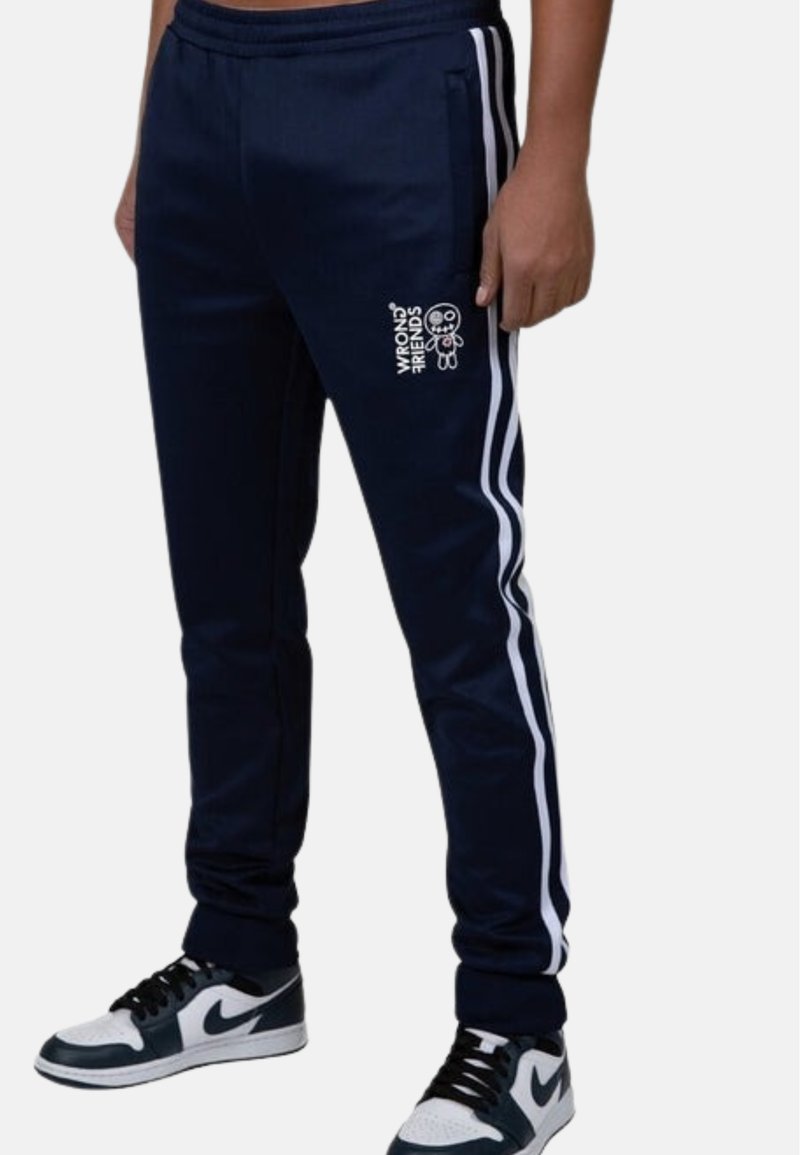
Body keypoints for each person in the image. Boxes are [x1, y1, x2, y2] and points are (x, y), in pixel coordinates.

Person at [35, 0, 611, 1150]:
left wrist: (554, 153)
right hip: (203, 98)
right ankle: (240, 957)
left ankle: (517, 1024)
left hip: (396, 95)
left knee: (458, 599)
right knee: (225, 586)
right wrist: (157, 118)